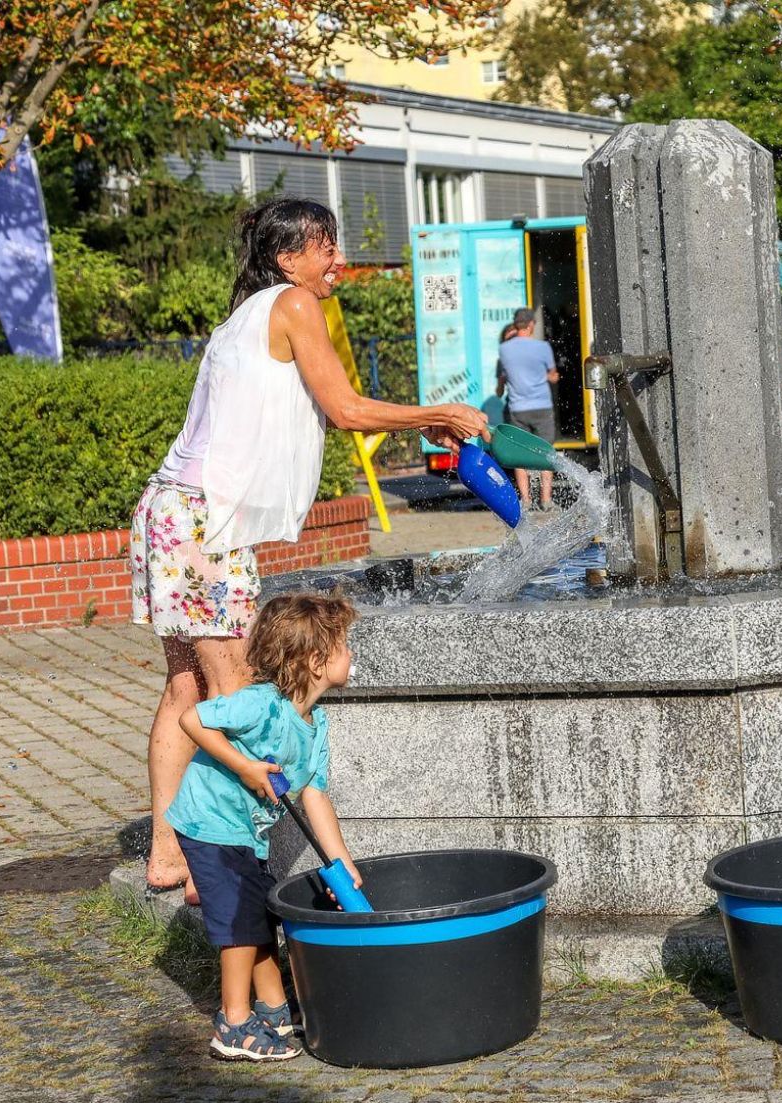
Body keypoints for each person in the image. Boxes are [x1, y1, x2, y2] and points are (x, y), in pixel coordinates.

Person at [134, 197, 491, 900]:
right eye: (326, 247)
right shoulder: (294, 302)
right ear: (286, 257)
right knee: (234, 692)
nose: (339, 262)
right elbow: (346, 408)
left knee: (187, 686)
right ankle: (220, 862)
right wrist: (440, 411)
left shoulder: (243, 316)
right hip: (206, 522)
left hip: (171, 509)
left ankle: (167, 851)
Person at [164, 593, 360, 1061]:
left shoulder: (316, 725)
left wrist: (342, 863)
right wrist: (247, 767)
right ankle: (232, 1023)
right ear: (316, 661)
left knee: (261, 913)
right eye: (345, 645)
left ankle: (272, 1008)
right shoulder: (259, 705)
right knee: (240, 921)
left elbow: (314, 794)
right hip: (209, 819)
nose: (351, 653)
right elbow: (192, 718)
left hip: (243, 831)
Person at [499, 306, 561, 511]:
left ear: (516, 326)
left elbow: (507, 376)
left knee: (519, 454)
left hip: (518, 409)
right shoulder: (543, 348)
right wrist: (545, 377)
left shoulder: (504, 350)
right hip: (541, 406)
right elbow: (552, 375)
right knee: (546, 452)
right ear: (532, 325)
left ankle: (525, 500)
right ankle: (546, 500)